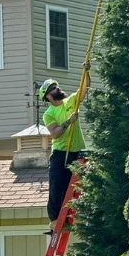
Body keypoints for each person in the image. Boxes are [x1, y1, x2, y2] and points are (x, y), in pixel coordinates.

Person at [39, 62, 91, 231]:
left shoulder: (71, 101)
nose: (56, 89)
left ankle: (70, 218)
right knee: (57, 186)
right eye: (52, 89)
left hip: (77, 151)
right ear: (48, 96)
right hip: (61, 152)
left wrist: (86, 72)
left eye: (56, 86)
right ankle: (55, 219)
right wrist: (69, 121)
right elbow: (55, 134)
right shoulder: (49, 114)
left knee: (75, 187)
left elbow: (83, 89)